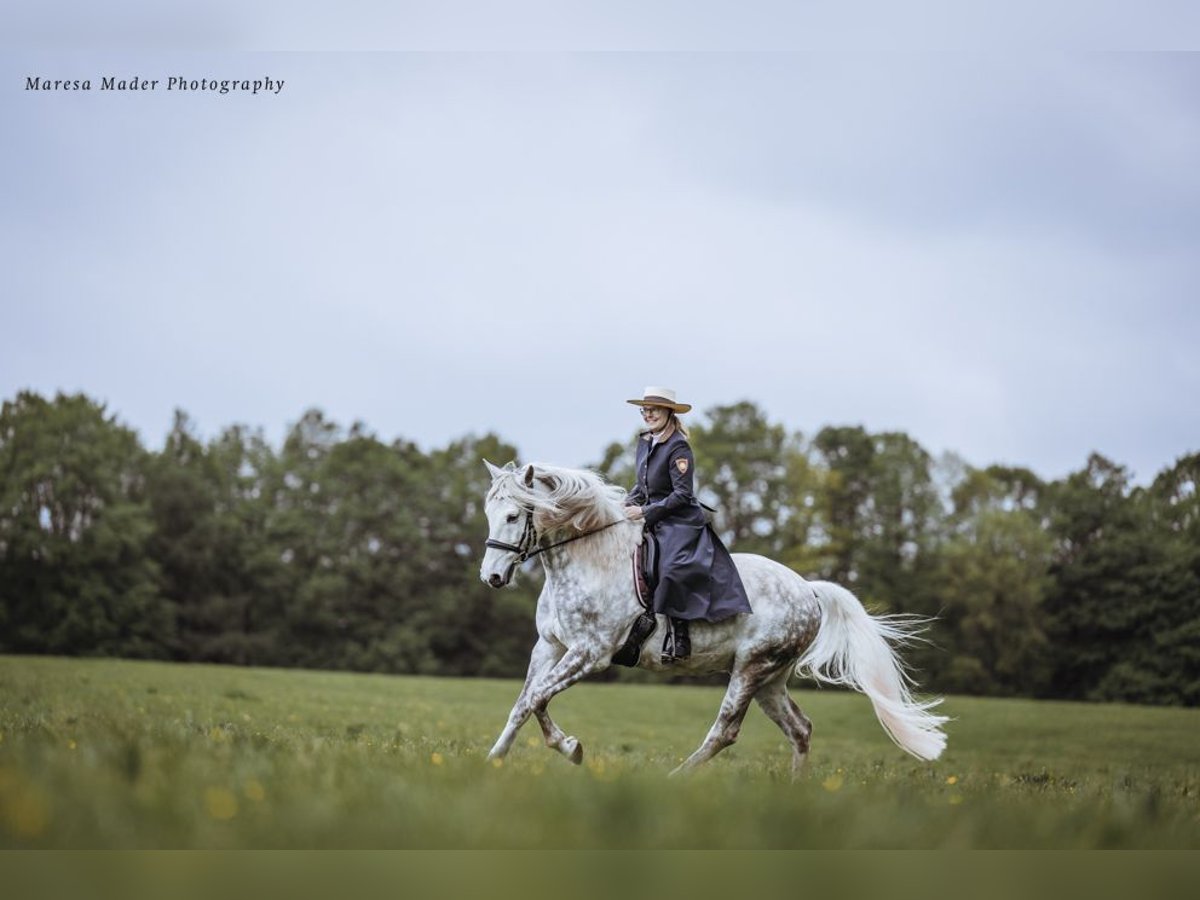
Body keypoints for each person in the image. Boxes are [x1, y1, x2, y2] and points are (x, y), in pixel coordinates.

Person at [623, 386, 752, 662]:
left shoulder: (678, 446)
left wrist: (645, 511)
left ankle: (680, 635)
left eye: (654, 410)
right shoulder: (645, 441)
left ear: (669, 412)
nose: (648, 415)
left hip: (678, 518)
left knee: (671, 568)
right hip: (650, 513)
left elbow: (682, 494)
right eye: (645, 410)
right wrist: (624, 503)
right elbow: (642, 484)